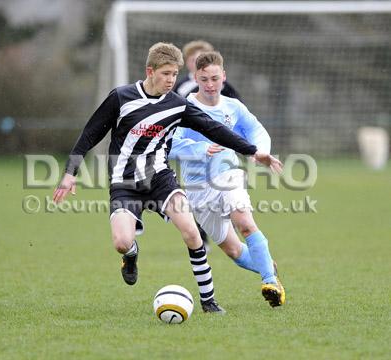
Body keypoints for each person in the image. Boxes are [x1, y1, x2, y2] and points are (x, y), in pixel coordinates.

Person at [53, 42, 282, 314]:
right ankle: (131, 255)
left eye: (174, 74)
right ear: (150, 71)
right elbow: (90, 134)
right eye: (165, 74)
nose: (171, 80)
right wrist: (70, 173)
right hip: (124, 184)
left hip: (161, 180)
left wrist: (255, 152)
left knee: (191, 232)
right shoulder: (121, 98)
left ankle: (209, 301)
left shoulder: (177, 104)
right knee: (121, 242)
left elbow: (215, 129)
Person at [169, 51, 286, 307]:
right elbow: (169, 144)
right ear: (196, 78)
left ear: (224, 76)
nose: (210, 85)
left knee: (244, 222)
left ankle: (270, 282)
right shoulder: (183, 107)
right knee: (233, 251)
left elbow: (256, 130)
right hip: (198, 186)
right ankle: (268, 266)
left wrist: (260, 150)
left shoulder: (233, 107)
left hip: (228, 173)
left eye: (214, 78)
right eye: (204, 80)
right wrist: (199, 149)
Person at [174, 40, 242, 249]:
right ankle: (201, 236)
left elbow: (237, 112)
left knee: (227, 191)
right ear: (188, 64)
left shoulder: (225, 88)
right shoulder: (182, 88)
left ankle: (235, 228)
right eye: (195, 59)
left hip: (222, 151)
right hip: (192, 152)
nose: (200, 62)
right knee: (198, 195)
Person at [173, 40, 241, 100]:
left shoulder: (222, 85)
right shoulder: (181, 85)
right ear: (186, 61)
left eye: (200, 59)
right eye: (193, 60)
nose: (197, 63)